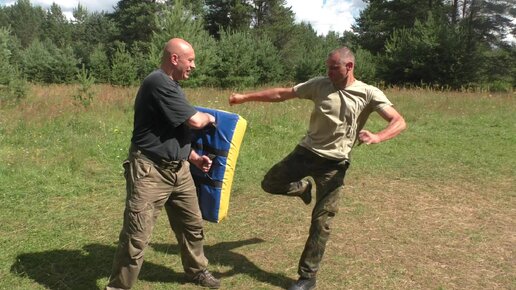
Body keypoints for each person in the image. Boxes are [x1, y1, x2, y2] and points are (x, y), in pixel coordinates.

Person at [228, 46, 406, 290]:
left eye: (334, 68)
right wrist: (245, 97)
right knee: (269, 183)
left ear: (349, 67)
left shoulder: (368, 93)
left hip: (334, 165)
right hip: (306, 153)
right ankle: (302, 189)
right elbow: (282, 94)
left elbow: (398, 121)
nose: (329, 72)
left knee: (321, 222)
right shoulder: (319, 85)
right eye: (328, 67)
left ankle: (307, 277)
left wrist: (377, 137)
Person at [105, 38, 221, 289]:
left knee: (193, 225)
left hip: (180, 171)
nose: (194, 65)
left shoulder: (174, 86)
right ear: (174, 59)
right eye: (190, 60)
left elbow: (173, 131)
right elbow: (194, 122)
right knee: (136, 236)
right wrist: (211, 117)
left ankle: (197, 271)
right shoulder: (157, 82)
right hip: (150, 172)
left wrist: (193, 157)